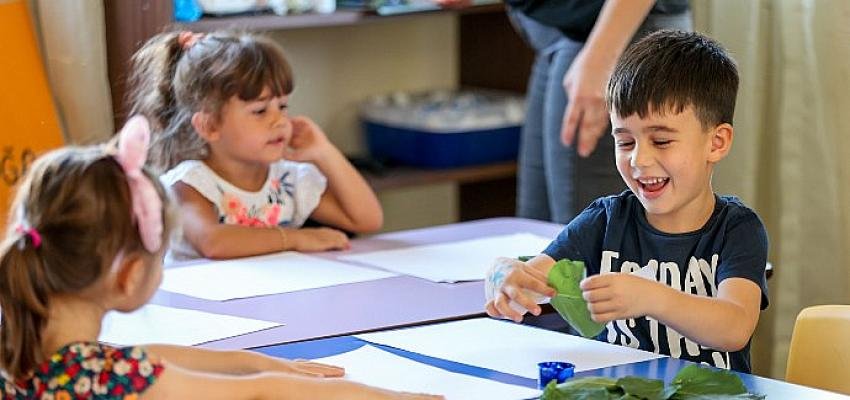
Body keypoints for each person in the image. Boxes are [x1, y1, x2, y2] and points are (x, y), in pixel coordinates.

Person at [0, 116, 440, 399]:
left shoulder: (29, 347)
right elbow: (262, 395)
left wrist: (254, 360)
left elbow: (143, 352)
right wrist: (393, 397)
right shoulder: (111, 377)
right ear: (131, 275)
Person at [484, 30, 769, 373]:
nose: (639, 160)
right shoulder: (604, 220)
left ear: (717, 143)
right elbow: (532, 275)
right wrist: (503, 275)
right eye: (625, 142)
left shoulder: (737, 229)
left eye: (661, 141)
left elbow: (734, 328)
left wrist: (652, 297)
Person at [128, 31, 383, 261]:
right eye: (260, 111)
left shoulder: (288, 181)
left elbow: (366, 219)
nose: (279, 121)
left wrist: (325, 152)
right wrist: (296, 239)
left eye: (282, 106)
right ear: (209, 126)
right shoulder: (189, 185)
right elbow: (213, 242)